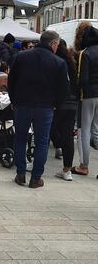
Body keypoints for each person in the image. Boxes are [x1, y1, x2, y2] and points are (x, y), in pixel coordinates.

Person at [8, 30, 68, 188]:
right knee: (42, 142)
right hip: (45, 107)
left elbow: (11, 80)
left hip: (22, 104)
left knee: (20, 139)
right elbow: (63, 89)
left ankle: (20, 174)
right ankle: (36, 178)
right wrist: (56, 104)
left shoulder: (21, 56)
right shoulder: (59, 62)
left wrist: (14, 100)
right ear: (53, 44)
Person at [50, 39, 78, 181]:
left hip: (58, 103)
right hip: (72, 103)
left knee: (45, 133)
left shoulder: (54, 62)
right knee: (68, 137)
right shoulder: (71, 62)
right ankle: (67, 170)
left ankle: (36, 164)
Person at [73, 22, 98, 175]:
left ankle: (84, 165)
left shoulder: (85, 53)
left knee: (85, 130)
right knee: (96, 130)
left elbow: (83, 78)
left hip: (87, 95)